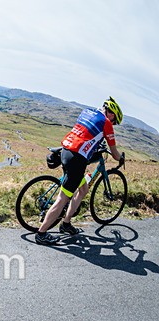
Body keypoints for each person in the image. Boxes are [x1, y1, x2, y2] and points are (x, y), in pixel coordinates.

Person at [35, 97, 124, 245]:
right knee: (63, 198)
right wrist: (121, 158)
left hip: (66, 150)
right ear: (112, 114)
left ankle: (66, 223)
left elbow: (85, 133)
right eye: (115, 121)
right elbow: (115, 154)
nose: (113, 124)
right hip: (76, 159)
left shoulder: (87, 112)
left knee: (83, 189)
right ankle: (41, 233)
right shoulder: (107, 123)